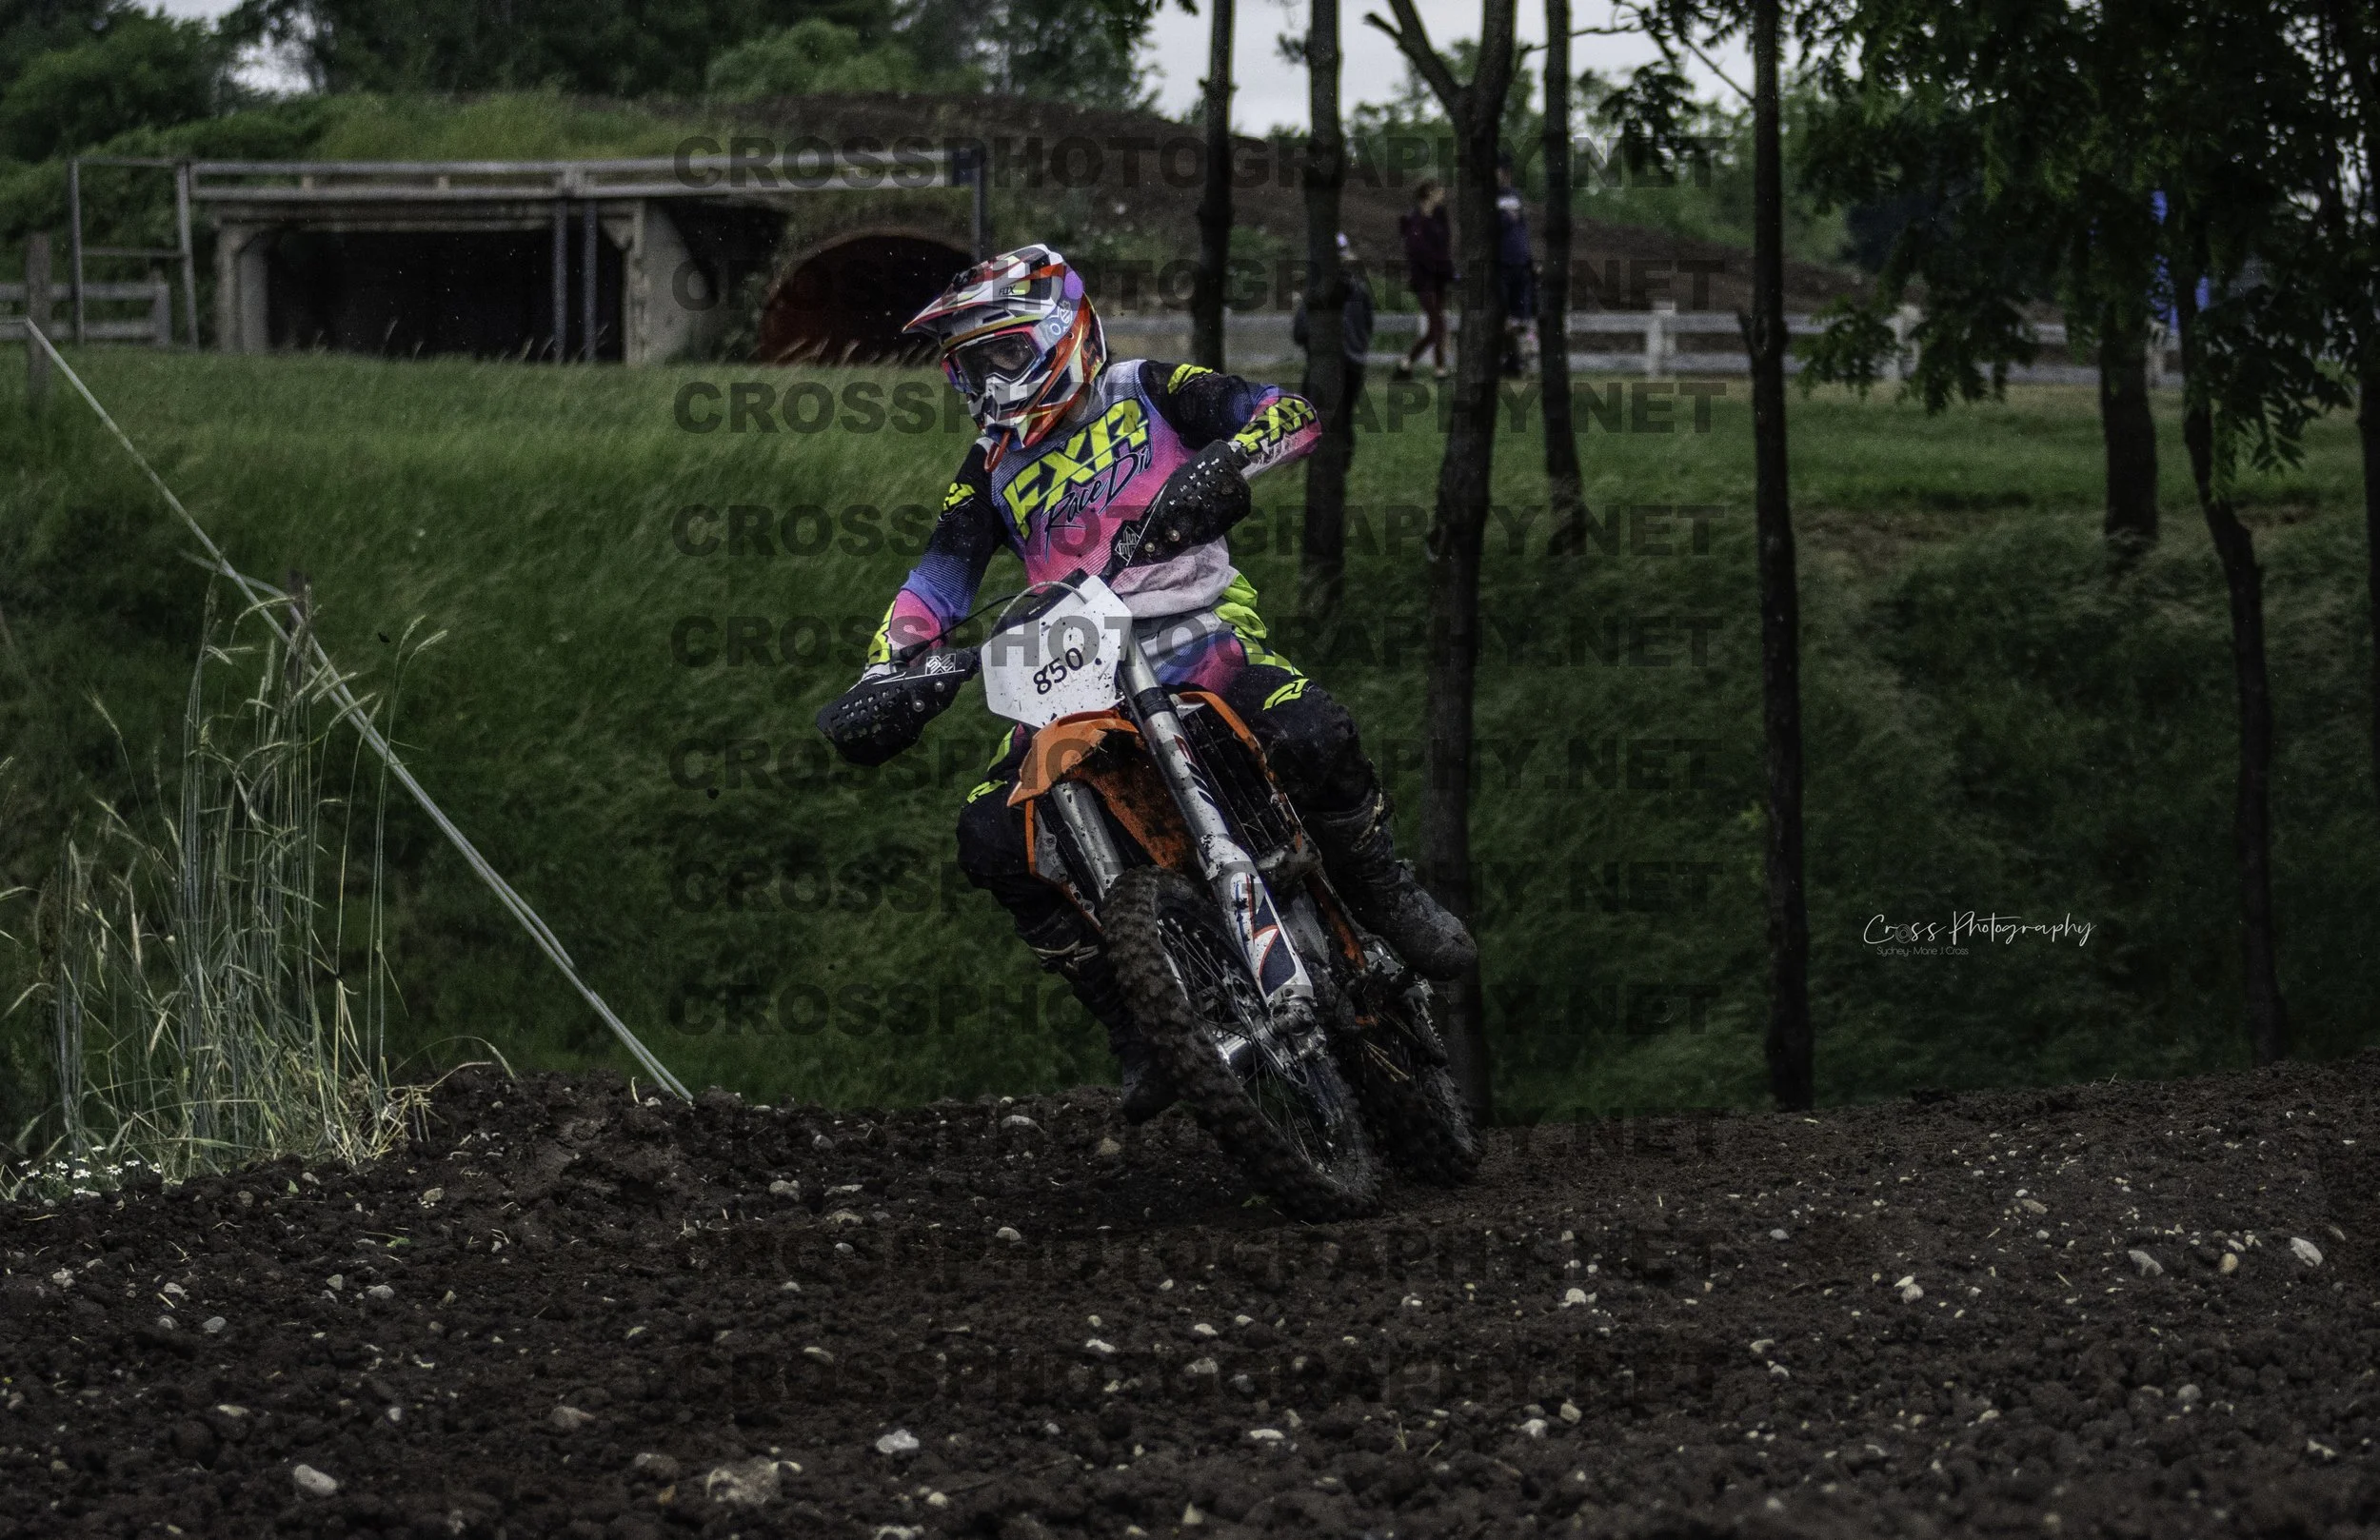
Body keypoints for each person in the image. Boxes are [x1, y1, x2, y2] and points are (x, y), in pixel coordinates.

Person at [816, 245, 1477, 1122]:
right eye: (974, 366)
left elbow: (1287, 412)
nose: (994, 381)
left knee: (1309, 728)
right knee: (990, 836)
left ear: (1063, 331)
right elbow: (937, 580)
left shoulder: (1146, 388)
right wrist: (889, 668)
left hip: (1193, 631)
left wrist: (1225, 464)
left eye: (1007, 353)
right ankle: (1137, 1024)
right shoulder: (989, 467)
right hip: (1069, 668)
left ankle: (1386, 888)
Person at [1292, 231, 1378, 477]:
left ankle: (1315, 463)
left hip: (1323, 365)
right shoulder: (1360, 291)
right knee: (1344, 417)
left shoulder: (1316, 292)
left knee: (1315, 414)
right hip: (1354, 365)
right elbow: (1367, 327)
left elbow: (1299, 332)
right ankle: (1342, 465)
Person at [1396, 182, 1453, 380]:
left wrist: (1447, 270)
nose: (1443, 194)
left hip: (1439, 278)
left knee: (1437, 325)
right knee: (1437, 324)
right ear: (1429, 193)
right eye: (1439, 191)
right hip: (1423, 279)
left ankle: (1409, 364)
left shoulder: (1439, 217)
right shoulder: (1415, 221)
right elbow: (1417, 250)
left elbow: (1445, 245)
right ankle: (1437, 369)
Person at [1495, 153, 1537, 379]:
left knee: (1523, 318)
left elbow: (1523, 229)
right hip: (1502, 263)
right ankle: (1511, 359)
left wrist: (1530, 258)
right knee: (1502, 317)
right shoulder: (1490, 198)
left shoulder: (1516, 196)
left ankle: (1519, 361)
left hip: (1521, 263)